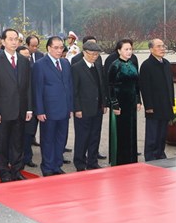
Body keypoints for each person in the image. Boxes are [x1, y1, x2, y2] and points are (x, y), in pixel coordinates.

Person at [0, 28, 33, 182]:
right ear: (4, 41)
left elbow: (28, 87)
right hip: (3, 111)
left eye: (16, 39)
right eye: (11, 39)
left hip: (20, 110)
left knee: (18, 143)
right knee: (2, 144)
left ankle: (17, 170)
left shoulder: (24, 61)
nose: (14, 42)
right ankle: (4, 172)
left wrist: (29, 108)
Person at [33, 36, 73, 177]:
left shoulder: (65, 63)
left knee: (61, 139)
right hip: (48, 110)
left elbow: (69, 86)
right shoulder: (40, 64)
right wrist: (39, 110)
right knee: (48, 139)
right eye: (55, 47)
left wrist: (70, 107)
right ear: (48, 48)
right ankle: (48, 167)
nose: (59, 50)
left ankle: (57, 165)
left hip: (64, 109)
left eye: (61, 47)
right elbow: (37, 89)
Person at [71, 41, 107, 171]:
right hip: (83, 109)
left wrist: (104, 103)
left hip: (97, 107)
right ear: (84, 53)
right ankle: (80, 163)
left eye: (96, 54)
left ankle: (92, 161)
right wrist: (77, 109)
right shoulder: (76, 67)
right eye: (91, 54)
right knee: (82, 137)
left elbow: (101, 85)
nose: (94, 57)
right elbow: (74, 91)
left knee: (95, 136)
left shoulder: (97, 65)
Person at [107, 39, 142, 166]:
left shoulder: (133, 64)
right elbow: (110, 86)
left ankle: (131, 159)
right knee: (121, 132)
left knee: (131, 130)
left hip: (131, 103)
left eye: (130, 49)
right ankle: (120, 160)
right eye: (126, 49)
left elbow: (137, 85)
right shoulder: (115, 65)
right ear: (119, 51)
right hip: (120, 103)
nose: (129, 52)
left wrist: (138, 100)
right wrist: (114, 103)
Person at [139, 39, 175, 162]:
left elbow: (170, 84)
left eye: (163, 46)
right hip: (153, 105)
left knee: (162, 133)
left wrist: (172, 102)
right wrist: (148, 105)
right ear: (151, 49)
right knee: (153, 133)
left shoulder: (166, 63)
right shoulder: (146, 65)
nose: (162, 48)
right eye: (158, 46)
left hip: (166, 104)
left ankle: (160, 153)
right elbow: (144, 87)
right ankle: (150, 155)